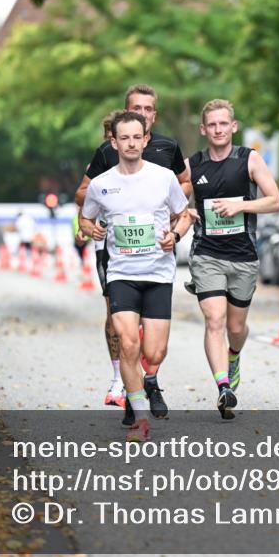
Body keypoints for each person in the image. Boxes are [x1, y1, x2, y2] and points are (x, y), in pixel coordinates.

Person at [75, 85, 192, 419]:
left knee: (154, 351)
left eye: (136, 137)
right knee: (128, 342)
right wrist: (90, 229)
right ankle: (137, 411)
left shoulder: (164, 175)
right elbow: (85, 215)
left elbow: (184, 212)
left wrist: (175, 233)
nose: (130, 143)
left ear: (145, 138)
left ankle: (143, 380)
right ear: (114, 142)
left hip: (157, 271)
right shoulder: (101, 183)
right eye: (123, 138)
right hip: (122, 271)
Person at [187, 99, 279, 420]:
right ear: (203, 129)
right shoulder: (193, 164)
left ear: (233, 126)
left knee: (236, 327)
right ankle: (223, 386)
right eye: (211, 125)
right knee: (214, 320)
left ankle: (234, 356)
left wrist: (241, 206)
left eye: (223, 124)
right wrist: (182, 212)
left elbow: (275, 200)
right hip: (207, 255)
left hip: (243, 256)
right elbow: (169, 198)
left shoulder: (249, 159)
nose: (217, 129)